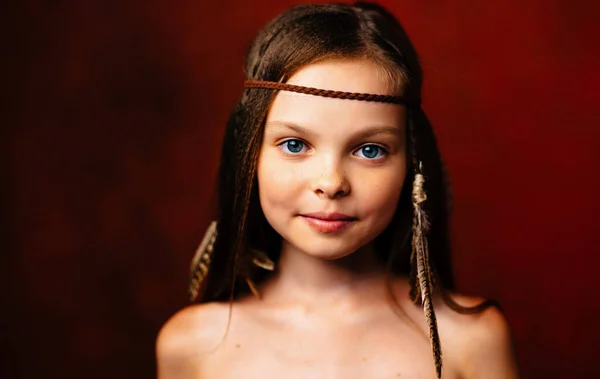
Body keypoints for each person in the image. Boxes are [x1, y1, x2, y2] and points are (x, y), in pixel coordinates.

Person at [156, 2, 519, 378]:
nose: (331, 183)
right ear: (250, 154)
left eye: (370, 150)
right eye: (295, 145)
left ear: (413, 167)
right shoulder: (193, 345)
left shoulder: (471, 340)